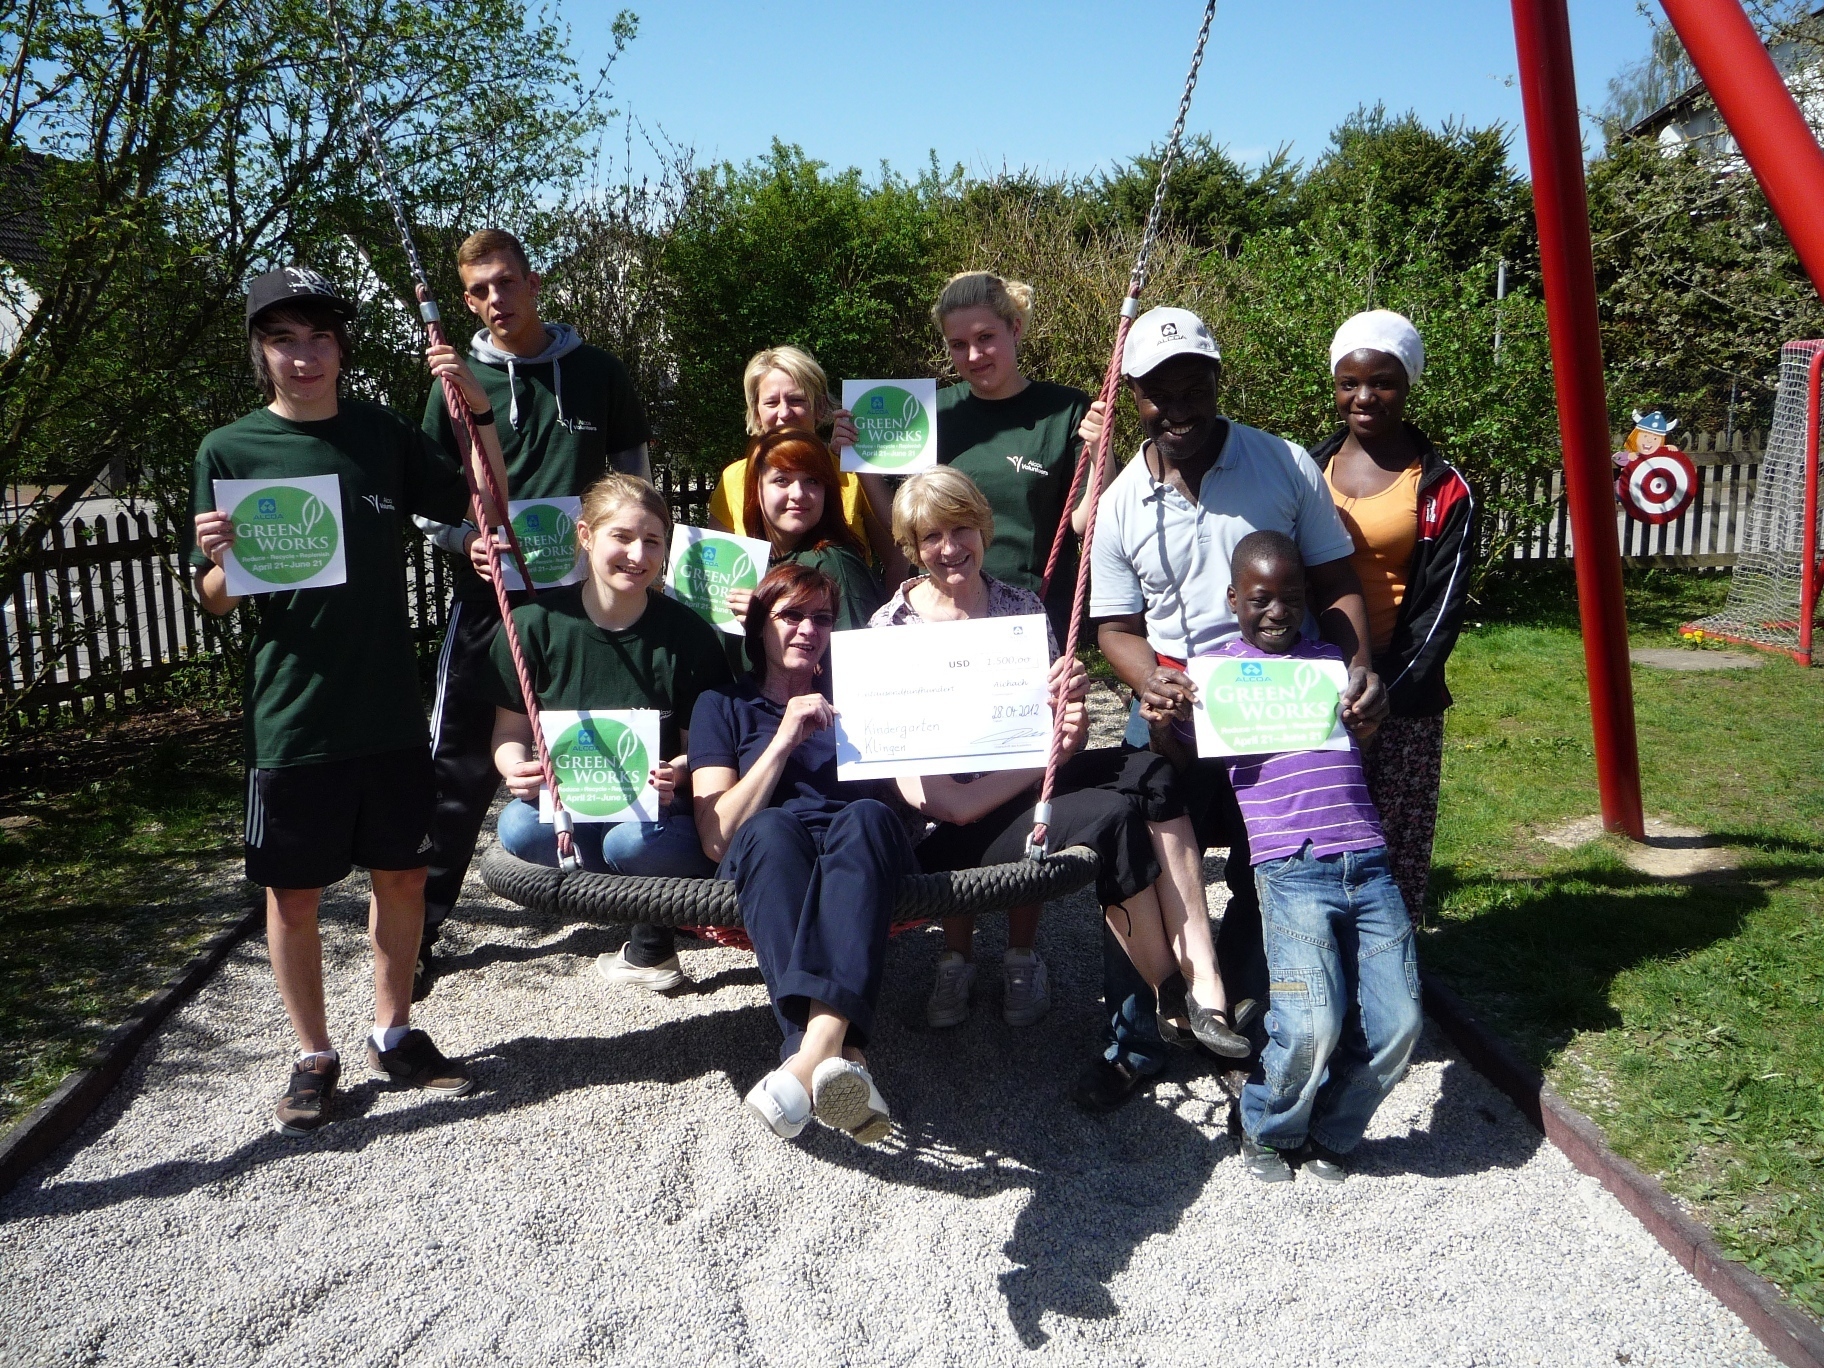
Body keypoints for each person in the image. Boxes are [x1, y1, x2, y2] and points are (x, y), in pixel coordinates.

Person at [189, 265, 510, 1137]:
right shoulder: (228, 450)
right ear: (261, 350)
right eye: (285, 339)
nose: (305, 356)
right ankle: (313, 1056)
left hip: (388, 709)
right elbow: (215, 596)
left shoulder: (380, 436)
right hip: (292, 713)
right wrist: (216, 559)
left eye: (320, 337)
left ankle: (393, 1029)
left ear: (341, 348)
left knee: (402, 874)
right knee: (293, 893)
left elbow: (486, 504)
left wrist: (473, 408)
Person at [1086, 304, 1387, 1111]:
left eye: (1194, 386)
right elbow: (1113, 626)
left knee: (1282, 857)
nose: (1178, 407)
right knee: (1130, 857)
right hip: (1180, 701)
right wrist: (1146, 678)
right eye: (1159, 394)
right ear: (1135, 397)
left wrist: (1358, 666)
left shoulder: (1282, 466)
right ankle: (1138, 1037)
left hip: (1284, 696)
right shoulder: (1119, 502)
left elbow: (1333, 582)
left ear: (1218, 380)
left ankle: (1261, 1011)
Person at [871, 468, 1248, 1065]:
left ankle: (1205, 988)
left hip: (1024, 792)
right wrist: (1055, 754)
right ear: (911, 547)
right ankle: (1166, 992)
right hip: (948, 832)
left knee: (1152, 772)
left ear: (983, 529)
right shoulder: (889, 634)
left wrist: (1065, 721)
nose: (949, 548)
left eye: (962, 527)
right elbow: (946, 805)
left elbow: (1055, 725)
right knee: (1106, 817)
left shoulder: (1018, 610)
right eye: (931, 536)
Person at [415, 228, 653, 997]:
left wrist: (628, 555)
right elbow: (427, 498)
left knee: (632, 740)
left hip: (587, 603)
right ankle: (420, 928)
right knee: (457, 766)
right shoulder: (450, 382)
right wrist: (463, 542)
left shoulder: (596, 372)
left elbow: (639, 481)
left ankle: (653, 916)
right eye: (479, 291)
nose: (495, 301)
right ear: (464, 301)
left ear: (534, 281)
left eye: (506, 283)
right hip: (491, 603)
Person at [1146, 531, 1421, 1184]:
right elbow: (1179, 760)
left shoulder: (1330, 667)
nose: (1277, 611)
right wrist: (1161, 717)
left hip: (1369, 862)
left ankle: (1331, 1125)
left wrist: (1371, 705)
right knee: (1308, 1025)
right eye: (1261, 598)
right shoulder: (1211, 678)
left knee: (1399, 1025)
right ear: (1234, 598)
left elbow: (1368, 726)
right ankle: (1268, 1123)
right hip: (1290, 868)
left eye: (1291, 597)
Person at [690, 564, 914, 1144]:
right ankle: (847, 1058)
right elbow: (718, 836)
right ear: (761, 626)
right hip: (771, 852)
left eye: (821, 619)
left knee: (864, 817)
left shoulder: (862, 697)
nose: (807, 629)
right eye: (791, 616)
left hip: (861, 848)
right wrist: (784, 739)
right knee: (769, 830)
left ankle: (804, 1058)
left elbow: (915, 796)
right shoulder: (721, 706)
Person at [484, 473, 733, 989]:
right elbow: (508, 736)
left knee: (632, 845)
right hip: (576, 805)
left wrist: (677, 772)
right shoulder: (535, 626)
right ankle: (645, 908)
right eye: (621, 536)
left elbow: (706, 753)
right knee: (517, 827)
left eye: (653, 541)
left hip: (656, 817)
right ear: (585, 536)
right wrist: (517, 770)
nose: (637, 554)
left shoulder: (687, 636)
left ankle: (657, 918)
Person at [1311, 310, 1476, 924]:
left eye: (1382, 382)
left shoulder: (1442, 489)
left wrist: (1386, 693)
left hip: (1399, 698)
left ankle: (1389, 975)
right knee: (1314, 842)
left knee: (1392, 849)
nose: (1364, 397)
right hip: (1312, 686)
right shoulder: (1306, 466)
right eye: (1349, 382)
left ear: (1407, 385)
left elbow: (1441, 610)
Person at [932, 271, 1109, 645]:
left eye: (985, 338)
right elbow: (899, 527)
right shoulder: (931, 412)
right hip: (943, 615)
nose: (974, 356)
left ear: (1014, 329)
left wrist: (1100, 455)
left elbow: (1081, 522)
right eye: (958, 344)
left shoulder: (1065, 410)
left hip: (1032, 615)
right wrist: (860, 461)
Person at [707, 345, 906, 580]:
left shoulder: (852, 473)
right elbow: (717, 574)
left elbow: (900, 553)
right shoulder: (733, 479)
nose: (784, 413)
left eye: (796, 400)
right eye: (771, 402)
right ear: (756, 412)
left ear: (820, 407)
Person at [725, 428, 883, 631]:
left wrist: (767, 620)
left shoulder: (833, 566)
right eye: (782, 480)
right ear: (756, 489)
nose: (798, 494)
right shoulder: (747, 565)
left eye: (812, 480)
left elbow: (855, 658)